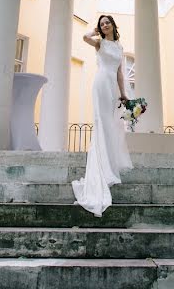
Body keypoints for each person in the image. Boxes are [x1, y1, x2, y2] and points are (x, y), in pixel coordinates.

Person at [71, 14, 134, 216]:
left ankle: (109, 165)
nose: (105, 25)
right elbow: (84, 37)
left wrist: (123, 93)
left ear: (113, 25)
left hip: (112, 87)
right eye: (102, 23)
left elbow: (120, 73)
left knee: (110, 125)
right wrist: (94, 31)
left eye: (107, 22)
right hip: (100, 83)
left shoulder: (119, 47)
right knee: (101, 123)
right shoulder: (99, 44)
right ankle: (101, 167)